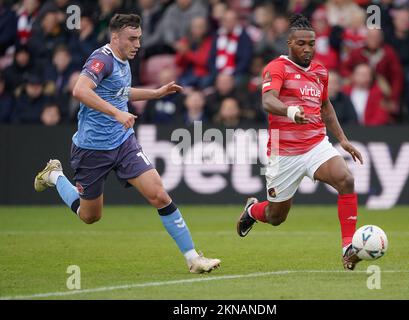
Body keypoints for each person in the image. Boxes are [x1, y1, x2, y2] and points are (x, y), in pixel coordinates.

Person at [34, 14, 220, 274]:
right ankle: (54, 175)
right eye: (132, 39)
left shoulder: (124, 60)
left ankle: (193, 258)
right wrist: (117, 113)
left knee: (159, 194)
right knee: (90, 216)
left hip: (122, 142)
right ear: (115, 38)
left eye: (140, 38)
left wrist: (154, 93)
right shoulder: (102, 60)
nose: (138, 44)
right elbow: (80, 90)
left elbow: (121, 91)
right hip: (92, 148)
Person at [236, 14, 364, 271]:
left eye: (311, 44)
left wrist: (342, 139)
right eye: (301, 43)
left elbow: (326, 106)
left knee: (345, 179)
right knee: (276, 217)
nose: (307, 49)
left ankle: (348, 248)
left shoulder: (320, 71)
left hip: (316, 144)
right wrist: (291, 111)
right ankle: (252, 211)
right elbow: (268, 101)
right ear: (290, 44)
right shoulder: (277, 67)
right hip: (284, 153)